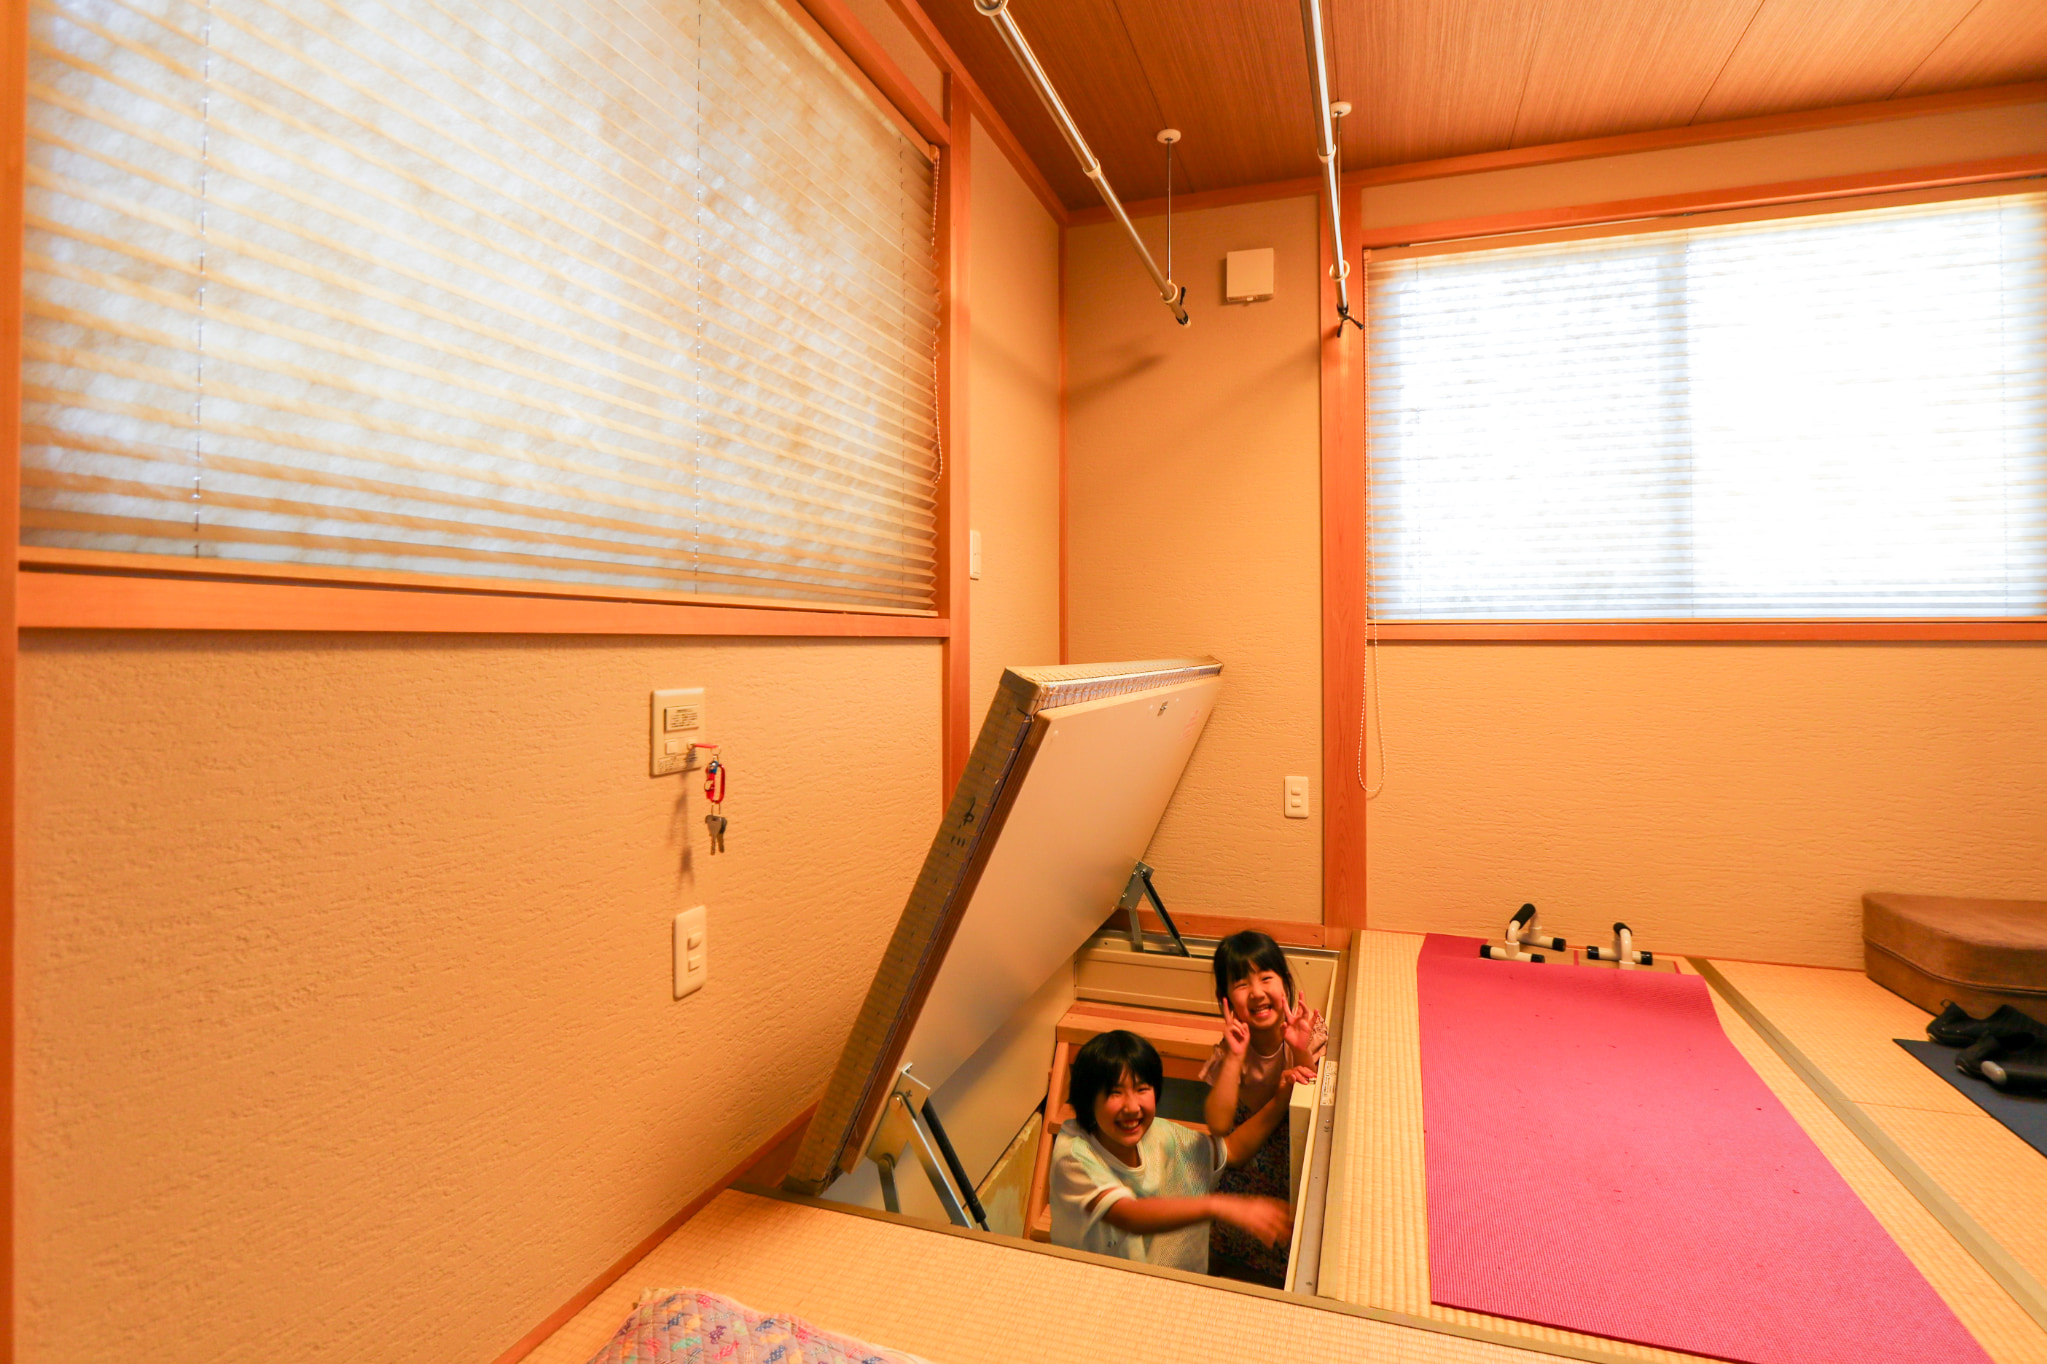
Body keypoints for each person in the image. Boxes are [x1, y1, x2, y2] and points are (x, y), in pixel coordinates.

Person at [1049, 1029, 1291, 1272]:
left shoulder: (1160, 1135)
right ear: (1088, 1099)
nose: (1132, 1107)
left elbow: (1232, 1150)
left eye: (1142, 1088)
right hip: (1089, 1282)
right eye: (1115, 1092)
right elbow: (1129, 1216)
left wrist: (1280, 1100)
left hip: (1154, 1281)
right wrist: (1219, 1206)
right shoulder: (1074, 1155)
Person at [1201, 930, 1327, 1286]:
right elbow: (1218, 1127)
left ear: (1284, 984)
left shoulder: (1308, 1032)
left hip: (1296, 1156)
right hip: (1247, 1164)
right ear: (1226, 1000)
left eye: (1266, 977)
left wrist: (1300, 1049)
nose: (1256, 991)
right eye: (1242, 983)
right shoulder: (1230, 1050)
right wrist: (1233, 1058)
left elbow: (1317, 1108)